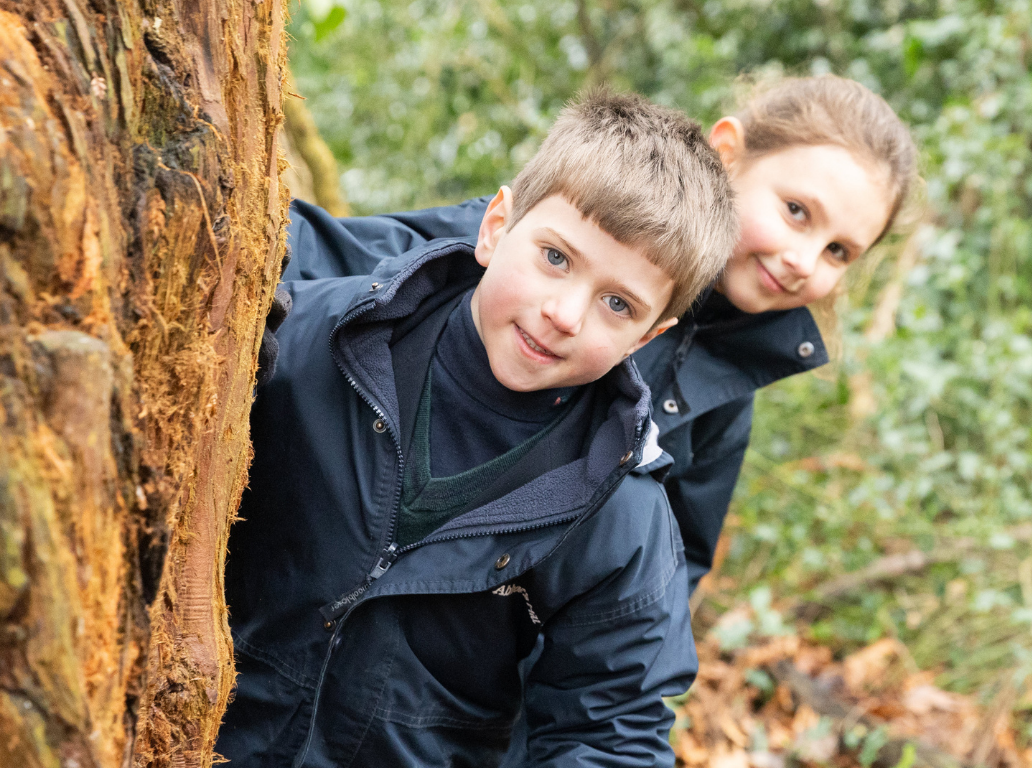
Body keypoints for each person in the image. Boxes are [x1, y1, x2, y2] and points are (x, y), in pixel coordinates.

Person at [219, 90, 738, 767]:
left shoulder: (618, 511)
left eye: (617, 303)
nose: (565, 314)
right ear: (495, 227)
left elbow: (611, 733)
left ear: (648, 337)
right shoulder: (310, 341)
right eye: (556, 258)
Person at [280, 76, 917, 593]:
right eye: (797, 212)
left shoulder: (732, 385)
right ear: (729, 152)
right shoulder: (542, 241)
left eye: (839, 251)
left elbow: (674, 565)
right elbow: (332, 256)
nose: (804, 259)